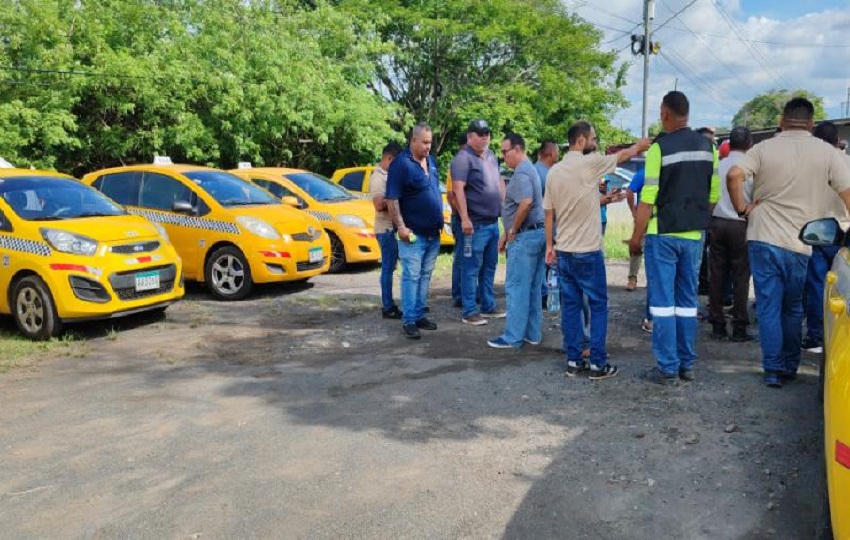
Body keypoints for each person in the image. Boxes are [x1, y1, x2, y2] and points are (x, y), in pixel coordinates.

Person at [727, 98, 850, 387]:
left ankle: (771, 370)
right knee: (792, 307)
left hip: (763, 236)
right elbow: (846, 192)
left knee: (769, 304)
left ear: (781, 121)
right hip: (800, 240)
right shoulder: (828, 153)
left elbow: (734, 174)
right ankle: (790, 366)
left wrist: (743, 208)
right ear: (811, 123)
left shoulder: (763, 148)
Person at [545, 121, 650, 380]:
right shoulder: (589, 164)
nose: (595, 142)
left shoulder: (555, 172)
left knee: (571, 306)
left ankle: (573, 360)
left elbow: (550, 212)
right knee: (599, 305)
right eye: (592, 138)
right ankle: (597, 363)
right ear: (581, 141)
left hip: (565, 250)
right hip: (588, 251)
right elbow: (622, 156)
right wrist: (639, 146)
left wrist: (550, 246)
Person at [629, 91, 720, 385]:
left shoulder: (659, 149)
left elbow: (647, 199)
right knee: (687, 302)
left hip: (662, 234)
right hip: (694, 237)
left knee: (663, 304)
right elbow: (713, 197)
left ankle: (667, 367)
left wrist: (635, 238)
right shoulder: (709, 147)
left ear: (664, 114)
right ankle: (687, 364)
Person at [385, 123, 445, 340]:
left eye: (431, 142)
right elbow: (392, 197)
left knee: (425, 276)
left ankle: (419, 314)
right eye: (425, 142)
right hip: (413, 235)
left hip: (433, 233)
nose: (429, 147)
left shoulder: (430, 161)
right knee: (411, 277)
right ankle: (409, 320)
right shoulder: (401, 164)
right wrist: (400, 226)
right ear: (414, 141)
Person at [488, 133, 546, 349]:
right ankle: (532, 334)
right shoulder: (529, 169)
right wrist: (506, 235)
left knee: (516, 286)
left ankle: (513, 337)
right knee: (531, 287)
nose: (503, 157)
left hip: (526, 236)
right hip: (535, 234)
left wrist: (511, 230)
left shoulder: (522, 172)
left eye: (505, 151)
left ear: (518, 149)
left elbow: (526, 203)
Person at [451, 119, 506, 325]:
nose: (485, 137)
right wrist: (464, 218)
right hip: (474, 224)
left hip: (492, 222)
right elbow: (457, 190)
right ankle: (469, 310)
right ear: (470, 136)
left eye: (487, 133)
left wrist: (504, 205)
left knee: (489, 266)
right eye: (480, 133)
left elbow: (499, 183)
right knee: (470, 267)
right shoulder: (463, 158)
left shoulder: (491, 156)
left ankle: (488, 305)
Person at [802, 121, 850, 353]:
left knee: (816, 286)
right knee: (845, 288)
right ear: (836, 139)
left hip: (817, 232)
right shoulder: (848, 161)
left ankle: (817, 337)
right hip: (845, 233)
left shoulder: (810, 165)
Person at [708, 126, 754, 342]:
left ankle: (717, 323)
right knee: (741, 277)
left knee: (716, 274)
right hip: (741, 224)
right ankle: (739, 326)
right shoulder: (752, 167)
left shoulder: (718, 165)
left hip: (717, 222)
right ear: (749, 144)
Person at [370, 141, 404, 319]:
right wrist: (393, 197)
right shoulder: (378, 177)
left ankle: (389, 304)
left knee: (390, 267)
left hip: (392, 229)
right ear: (389, 158)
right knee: (388, 268)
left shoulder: (388, 175)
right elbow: (378, 204)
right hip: (385, 229)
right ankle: (388, 306)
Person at [626, 167, 653, 333]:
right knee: (636, 247)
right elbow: (630, 192)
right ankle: (632, 278)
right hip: (646, 216)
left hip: (658, 218)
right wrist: (634, 212)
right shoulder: (643, 173)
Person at [446, 133, 469, 308]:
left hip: (467, 219)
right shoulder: (456, 165)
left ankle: (466, 292)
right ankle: (458, 294)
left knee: (468, 256)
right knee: (461, 256)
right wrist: (463, 216)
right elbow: (451, 196)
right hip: (460, 219)